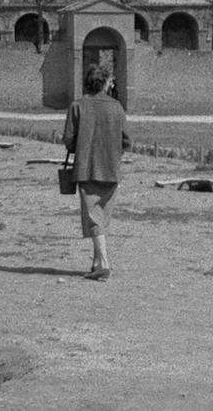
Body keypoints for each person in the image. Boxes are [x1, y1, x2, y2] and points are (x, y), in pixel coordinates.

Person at [62, 63, 131, 281]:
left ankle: (104, 264)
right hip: (111, 168)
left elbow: (69, 140)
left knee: (93, 218)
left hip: (87, 168)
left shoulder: (77, 106)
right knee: (102, 217)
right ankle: (96, 263)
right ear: (104, 83)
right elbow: (127, 140)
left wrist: (83, 144)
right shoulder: (117, 107)